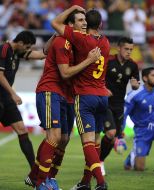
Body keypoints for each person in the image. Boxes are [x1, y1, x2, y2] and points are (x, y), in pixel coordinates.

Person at [25, 9, 101, 189]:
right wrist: (89, 60)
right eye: (80, 20)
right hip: (51, 90)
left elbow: (45, 50)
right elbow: (65, 73)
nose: (84, 23)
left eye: (85, 21)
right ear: (70, 25)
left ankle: (45, 176)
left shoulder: (77, 43)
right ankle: (40, 182)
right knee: (54, 136)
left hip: (67, 96)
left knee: (64, 139)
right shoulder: (62, 41)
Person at [0, 30, 53, 180]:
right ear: (20, 43)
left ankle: (35, 173)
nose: (27, 50)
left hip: (7, 99)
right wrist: (13, 93)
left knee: (22, 130)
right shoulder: (3, 50)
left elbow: (41, 54)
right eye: (27, 47)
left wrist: (56, 34)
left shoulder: (18, 52)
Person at [52, 5, 110, 190]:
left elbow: (55, 23)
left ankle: (101, 183)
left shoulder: (81, 39)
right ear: (100, 24)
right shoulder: (106, 42)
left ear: (86, 24)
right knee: (97, 142)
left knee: (87, 142)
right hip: (102, 97)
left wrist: (74, 8)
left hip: (85, 96)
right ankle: (85, 182)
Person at [99, 37, 140, 176]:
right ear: (118, 48)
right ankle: (98, 163)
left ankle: (99, 161)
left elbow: (136, 84)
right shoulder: (108, 61)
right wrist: (103, 88)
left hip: (119, 106)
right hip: (104, 103)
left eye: (131, 50)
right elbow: (96, 78)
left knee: (112, 138)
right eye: (126, 49)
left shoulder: (133, 66)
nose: (129, 52)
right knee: (110, 133)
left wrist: (135, 86)